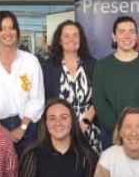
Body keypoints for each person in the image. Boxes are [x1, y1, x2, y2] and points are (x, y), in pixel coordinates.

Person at [0, 10, 45, 155]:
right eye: (2, 29)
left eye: (12, 28)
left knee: (27, 173)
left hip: (27, 126)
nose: (8, 33)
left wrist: (22, 128)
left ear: (17, 31)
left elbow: (37, 99)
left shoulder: (30, 61)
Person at [92, 16, 139, 148]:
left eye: (131, 32)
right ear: (114, 36)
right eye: (122, 32)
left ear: (136, 36)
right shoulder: (102, 66)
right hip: (113, 134)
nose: (127, 36)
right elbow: (100, 102)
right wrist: (120, 129)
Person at [42, 20, 102, 153]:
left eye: (75, 35)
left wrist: (85, 123)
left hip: (89, 127)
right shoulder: (49, 67)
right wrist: (64, 124)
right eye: (66, 35)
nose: (71, 39)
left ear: (81, 39)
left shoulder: (92, 64)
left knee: (90, 169)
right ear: (59, 40)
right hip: (60, 129)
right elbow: (48, 100)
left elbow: (99, 97)